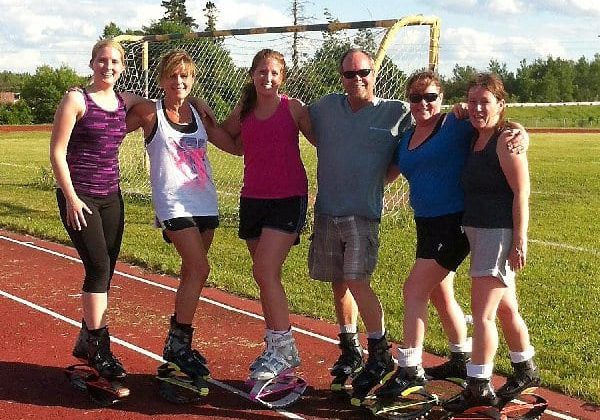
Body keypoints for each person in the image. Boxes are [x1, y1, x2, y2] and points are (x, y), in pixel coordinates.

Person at [375, 71, 527, 398]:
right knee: (441, 294)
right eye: (415, 98)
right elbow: (387, 175)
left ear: (441, 99)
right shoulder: (407, 138)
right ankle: (465, 358)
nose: (423, 104)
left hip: (454, 223)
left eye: (430, 97)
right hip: (427, 224)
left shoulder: (454, 124)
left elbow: (497, 126)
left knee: (414, 289)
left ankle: (410, 368)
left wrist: (521, 131)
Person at [125, 49, 240, 381]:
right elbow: (111, 131)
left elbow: (234, 146)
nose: (179, 81)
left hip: (204, 203)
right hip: (173, 205)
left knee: (193, 274)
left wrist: (252, 111)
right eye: (173, 75)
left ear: (192, 79)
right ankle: (178, 345)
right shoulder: (150, 113)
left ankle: (178, 345)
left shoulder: (199, 113)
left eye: (185, 76)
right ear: (162, 80)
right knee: (200, 267)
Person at [307, 47, 412, 402]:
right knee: (339, 283)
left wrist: (380, 179)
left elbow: (429, 129)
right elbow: (295, 116)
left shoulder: (396, 111)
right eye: (350, 74)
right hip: (327, 210)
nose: (357, 79)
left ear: (374, 72)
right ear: (341, 77)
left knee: (357, 279)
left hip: (363, 214)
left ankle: (379, 349)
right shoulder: (325, 108)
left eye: (363, 72)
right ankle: (349, 347)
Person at [50, 39, 147, 380]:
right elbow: (57, 152)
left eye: (115, 61)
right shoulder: (77, 100)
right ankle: (98, 348)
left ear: (122, 67)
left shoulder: (124, 101)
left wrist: (193, 101)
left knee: (108, 270)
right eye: (102, 60)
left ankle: (84, 337)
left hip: (112, 197)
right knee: (98, 268)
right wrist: (71, 198)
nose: (109, 66)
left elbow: (159, 103)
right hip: (80, 197)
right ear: (92, 63)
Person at [443, 73, 540, 414]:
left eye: (484, 101)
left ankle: (478, 385)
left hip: (496, 235)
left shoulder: (505, 140)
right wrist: (460, 109)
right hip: (479, 232)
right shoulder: (475, 135)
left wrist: (519, 241)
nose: (476, 108)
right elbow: (456, 111)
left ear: (501, 105)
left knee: (482, 316)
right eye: (472, 101)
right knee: (505, 308)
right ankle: (525, 368)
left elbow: (521, 193)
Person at [220, 49, 313, 381]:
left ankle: (283, 348)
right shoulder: (244, 110)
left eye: (274, 73)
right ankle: (276, 345)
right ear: (252, 75)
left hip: (288, 198)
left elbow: (322, 140)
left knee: (264, 269)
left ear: (282, 77)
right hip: (253, 200)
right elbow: (231, 142)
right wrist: (203, 119)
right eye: (262, 72)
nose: (267, 78)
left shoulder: (294, 108)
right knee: (264, 276)